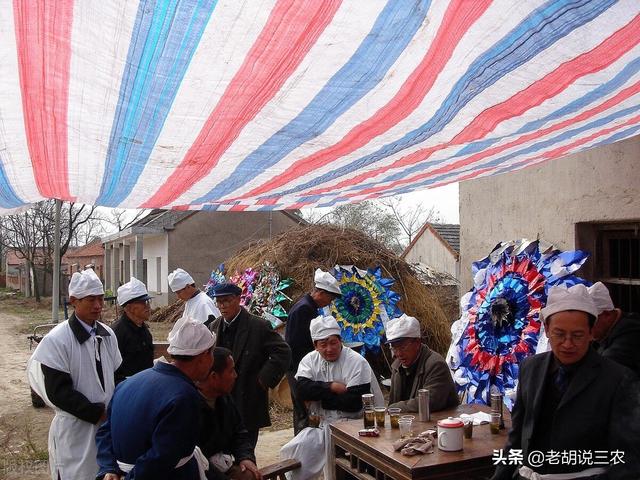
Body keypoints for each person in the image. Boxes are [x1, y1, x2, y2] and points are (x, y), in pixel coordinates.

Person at [492, 284, 639, 480]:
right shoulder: (531, 369)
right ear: (546, 329)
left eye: (577, 335)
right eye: (559, 334)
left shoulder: (617, 379)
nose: (568, 344)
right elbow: (516, 439)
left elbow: (630, 457)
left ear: (591, 332)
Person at [27, 269, 122, 479]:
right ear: (73, 301)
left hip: (106, 429)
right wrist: (98, 413)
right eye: (91, 300)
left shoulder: (107, 336)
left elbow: (116, 377)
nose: (98, 306)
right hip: (76, 431)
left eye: (100, 299)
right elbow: (58, 393)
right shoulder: (57, 341)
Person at [96, 317, 216, 480]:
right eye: (212, 353)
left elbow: (105, 431)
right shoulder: (184, 396)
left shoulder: (128, 383)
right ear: (204, 356)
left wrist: (108, 468)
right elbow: (162, 457)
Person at [280, 315, 383, 480]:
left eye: (333, 342)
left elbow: (353, 402)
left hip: (354, 427)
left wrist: (318, 395)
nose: (329, 349)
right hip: (323, 426)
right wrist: (331, 386)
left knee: (352, 473)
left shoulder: (356, 362)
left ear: (340, 341)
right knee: (303, 458)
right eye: (323, 344)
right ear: (315, 345)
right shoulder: (309, 361)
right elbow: (300, 391)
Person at [209, 283, 291, 448]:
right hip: (221, 398)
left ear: (238, 299)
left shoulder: (257, 326)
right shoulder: (214, 327)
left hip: (247, 395)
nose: (222, 306)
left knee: (245, 449)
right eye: (219, 302)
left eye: (227, 301)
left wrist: (263, 379)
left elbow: (283, 351)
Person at [285, 268, 342, 434]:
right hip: (299, 368)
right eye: (329, 298)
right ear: (321, 293)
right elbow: (298, 344)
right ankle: (304, 448)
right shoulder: (304, 309)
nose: (329, 303)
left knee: (304, 412)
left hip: (299, 366)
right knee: (305, 412)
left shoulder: (307, 306)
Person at [198, 347, 262, 480]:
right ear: (214, 377)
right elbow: (196, 457)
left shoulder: (224, 398)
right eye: (231, 370)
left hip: (222, 466)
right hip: (201, 471)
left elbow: (239, 432)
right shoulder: (189, 405)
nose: (235, 375)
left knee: (250, 475)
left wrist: (245, 457)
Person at [387, 314, 458, 412]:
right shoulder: (397, 367)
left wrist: (394, 408)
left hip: (439, 422)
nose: (398, 354)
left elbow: (429, 402)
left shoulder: (436, 365)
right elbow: (392, 403)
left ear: (417, 342)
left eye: (403, 347)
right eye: (394, 348)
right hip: (410, 422)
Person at [588, 281, 640, 376]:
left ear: (607, 315)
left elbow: (602, 371)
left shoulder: (629, 337)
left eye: (591, 323)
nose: (588, 330)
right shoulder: (608, 330)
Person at [112, 277, 154, 384]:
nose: (148, 306)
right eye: (143, 302)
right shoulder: (117, 333)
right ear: (129, 307)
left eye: (148, 301)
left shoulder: (144, 330)